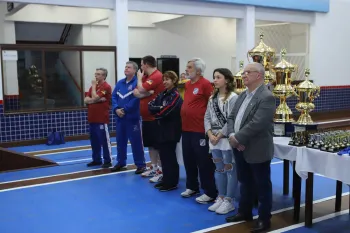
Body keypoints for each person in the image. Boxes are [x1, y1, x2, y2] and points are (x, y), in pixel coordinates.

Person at [225, 62, 275, 233]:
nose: (243, 75)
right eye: (243, 72)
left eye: (248, 72)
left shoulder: (266, 97)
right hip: (239, 146)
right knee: (244, 182)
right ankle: (244, 212)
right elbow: (231, 117)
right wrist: (232, 136)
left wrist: (237, 138)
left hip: (257, 148)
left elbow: (258, 123)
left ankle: (264, 219)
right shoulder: (242, 95)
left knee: (262, 186)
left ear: (258, 75)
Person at [180, 58, 217, 204]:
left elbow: (213, 105)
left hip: (200, 129)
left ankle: (209, 191)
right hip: (186, 128)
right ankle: (192, 186)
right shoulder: (188, 84)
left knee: (203, 162)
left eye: (189, 67)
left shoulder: (206, 84)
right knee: (188, 159)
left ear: (199, 70)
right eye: (187, 67)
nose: (186, 69)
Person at [204, 68, 238, 214]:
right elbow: (206, 117)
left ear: (227, 80)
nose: (215, 80)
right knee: (219, 169)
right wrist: (209, 133)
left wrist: (219, 135)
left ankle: (229, 200)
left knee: (229, 169)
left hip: (225, 139)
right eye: (214, 77)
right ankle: (221, 196)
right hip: (214, 139)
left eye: (218, 77)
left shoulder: (233, 97)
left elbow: (232, 118)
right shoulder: (212, 98)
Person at [148, 71, 183, 191]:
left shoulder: (176, 95)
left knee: (170, 157)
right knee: (163, 156)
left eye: (167, 79)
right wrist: (159, 109)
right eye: (164, 79)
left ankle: (172, 182)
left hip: (171, 131)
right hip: (161, 129)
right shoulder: (162, 94)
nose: (165, 82)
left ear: (174, 80)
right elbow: (150, 106)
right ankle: (165, 178)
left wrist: (158, 111)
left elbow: (167, 111)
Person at [110, 61, 146, 174]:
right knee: (120, 141)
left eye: (129, 67)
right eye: (125, 67)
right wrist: (116, 109)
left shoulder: (137, 83)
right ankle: (121, 162)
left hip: (132, 118)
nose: (126, 69)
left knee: (136, 142)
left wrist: (124, 109)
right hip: (120, 117)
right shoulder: (120, 83)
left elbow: (136, 99)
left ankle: (140, 164)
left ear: (135, 70)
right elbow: (114, 96)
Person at [133, 55, 165, 183]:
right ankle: (154, 167)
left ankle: (162, 170)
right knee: (150, 145)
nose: (141, 68)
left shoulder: (156, 76)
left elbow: (140, 89)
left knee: (158, 145)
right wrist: (147, 92)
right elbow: (136, 92)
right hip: (146, 117)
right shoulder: (146, 77)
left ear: (146, 64)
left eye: (141, 65)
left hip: (155, 117)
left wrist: (139, 80)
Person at [85, 68, 112, 168]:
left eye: (98, 74)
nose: (96, 76)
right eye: (95, 74)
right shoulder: (94, 87)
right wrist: (95, 100)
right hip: (92, 118)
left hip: (101, 119)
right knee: (94, 141)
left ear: (104, 76)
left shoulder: (106, 86)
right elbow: (86, 100)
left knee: (104, 140)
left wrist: (93, 87)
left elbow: (95, 97)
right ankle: (96, 159)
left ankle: (107, 160)